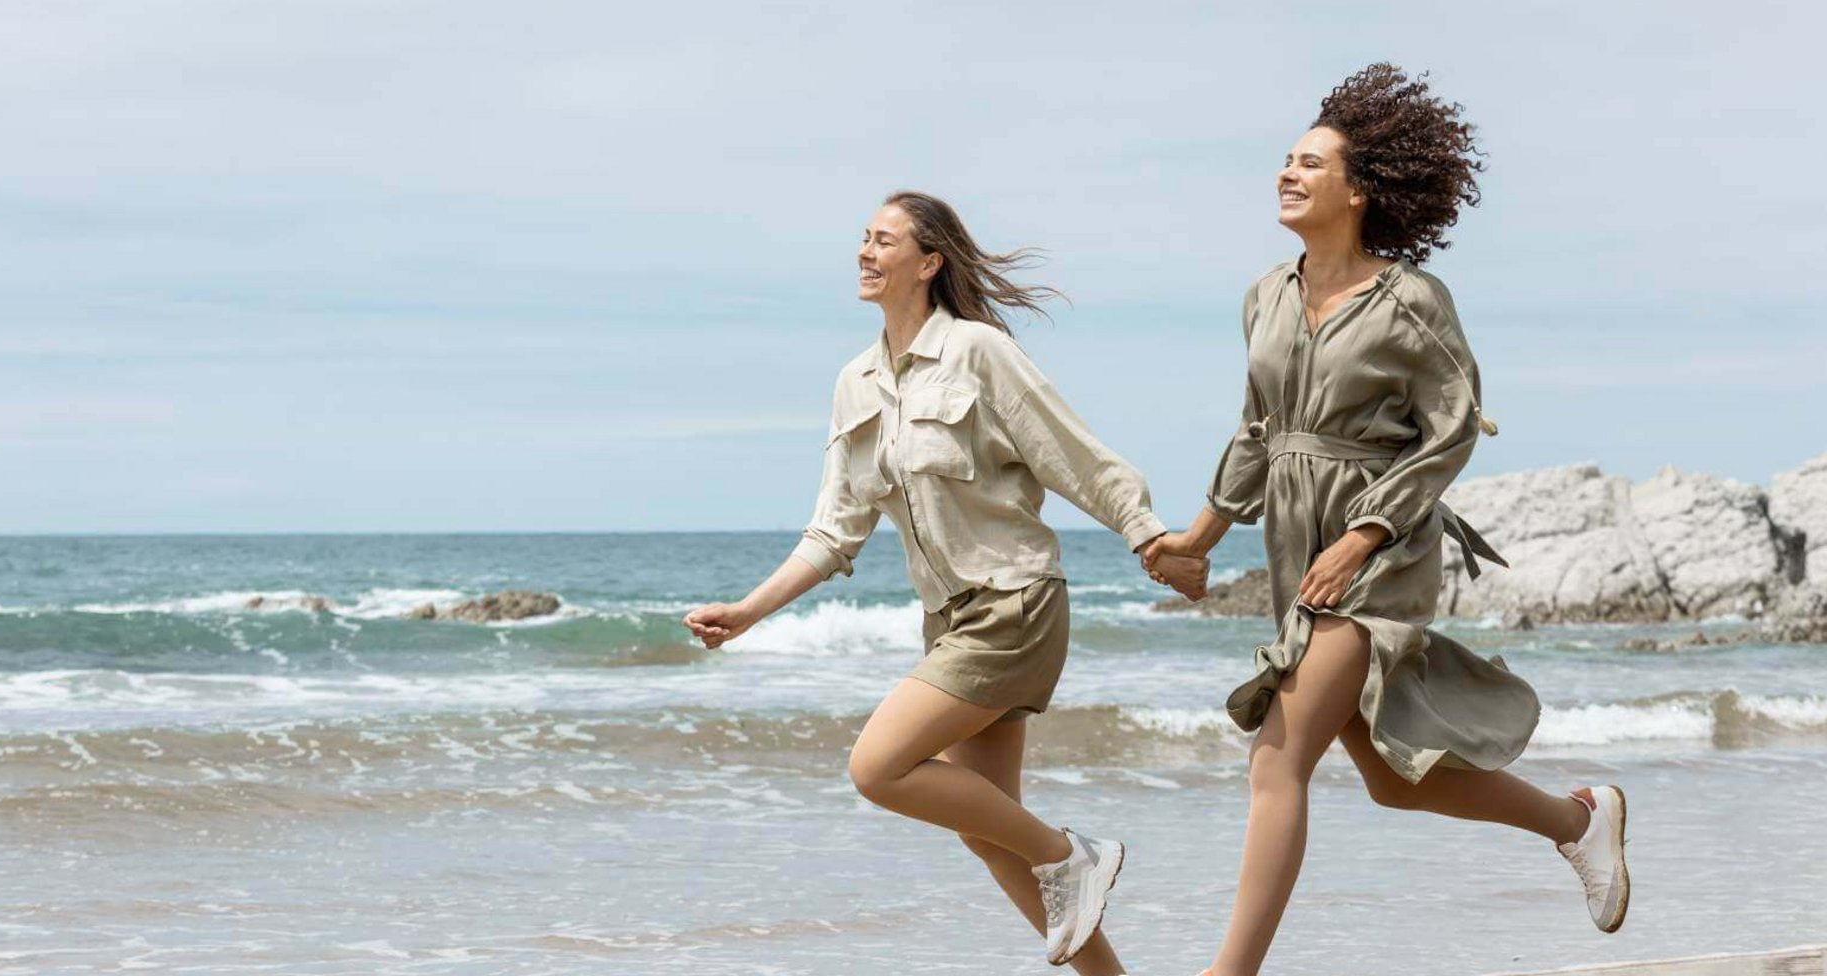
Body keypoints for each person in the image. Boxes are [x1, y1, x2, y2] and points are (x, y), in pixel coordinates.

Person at [1142, 64, 1630, 975]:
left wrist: (1364, 534)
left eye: (1310, 164)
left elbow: (1448, 433)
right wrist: (1199, 537)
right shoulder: (1266, 295)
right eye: (1285, 160)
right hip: (1295, 544)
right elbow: (1262, 430)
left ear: (1359, 191)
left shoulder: (1411, 300)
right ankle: (1579, 821)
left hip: (1380, 543)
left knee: (1276, 759)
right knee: (1389, 779)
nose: (1287, 174)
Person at [685, 190, 1206, 973]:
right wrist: (751, 612)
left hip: (1015, 602)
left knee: (878, 767)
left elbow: (1073, 453)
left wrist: (1147, 535)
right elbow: (835, 526)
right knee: (985, 829)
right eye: (862, 238)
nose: (865, 252)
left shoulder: (977, 352)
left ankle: (1072, 855)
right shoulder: (855, 382)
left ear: (928, 263)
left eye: (884, 240)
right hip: (952, 620)